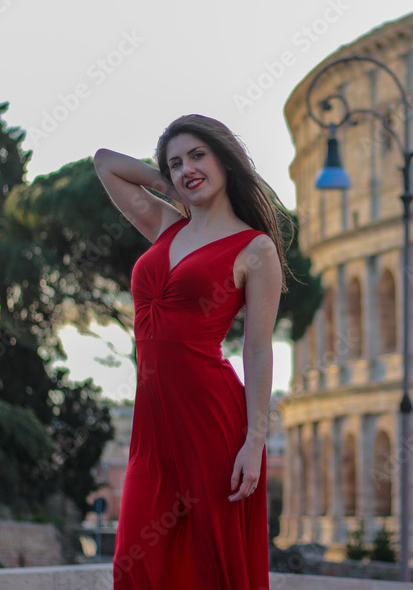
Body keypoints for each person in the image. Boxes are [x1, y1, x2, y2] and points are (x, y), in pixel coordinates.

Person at [94, 114, 286, 589]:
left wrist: (255, 441)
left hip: (213, 421)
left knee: (212, 566)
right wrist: (173, 185)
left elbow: (259, 351)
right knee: (133, 569)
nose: (187, 168)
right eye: (176, 162)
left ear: (224, 159)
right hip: (152, 429)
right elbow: (105, 163)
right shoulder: (165, 225)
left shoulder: (256, 249)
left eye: (198, 155)